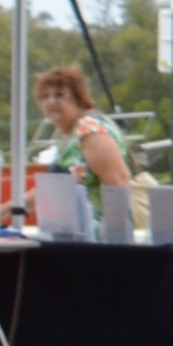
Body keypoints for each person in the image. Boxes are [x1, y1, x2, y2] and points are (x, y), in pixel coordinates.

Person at [24, 63, 140, 236]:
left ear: (78, 98)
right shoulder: (68, 138)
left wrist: (116, 241)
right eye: (44, 97)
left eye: (59, 95)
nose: (50, 101)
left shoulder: (90, 129)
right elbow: (50, 186)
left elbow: (118, 182)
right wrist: (4, 211)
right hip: (74, 236)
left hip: (99, 239)